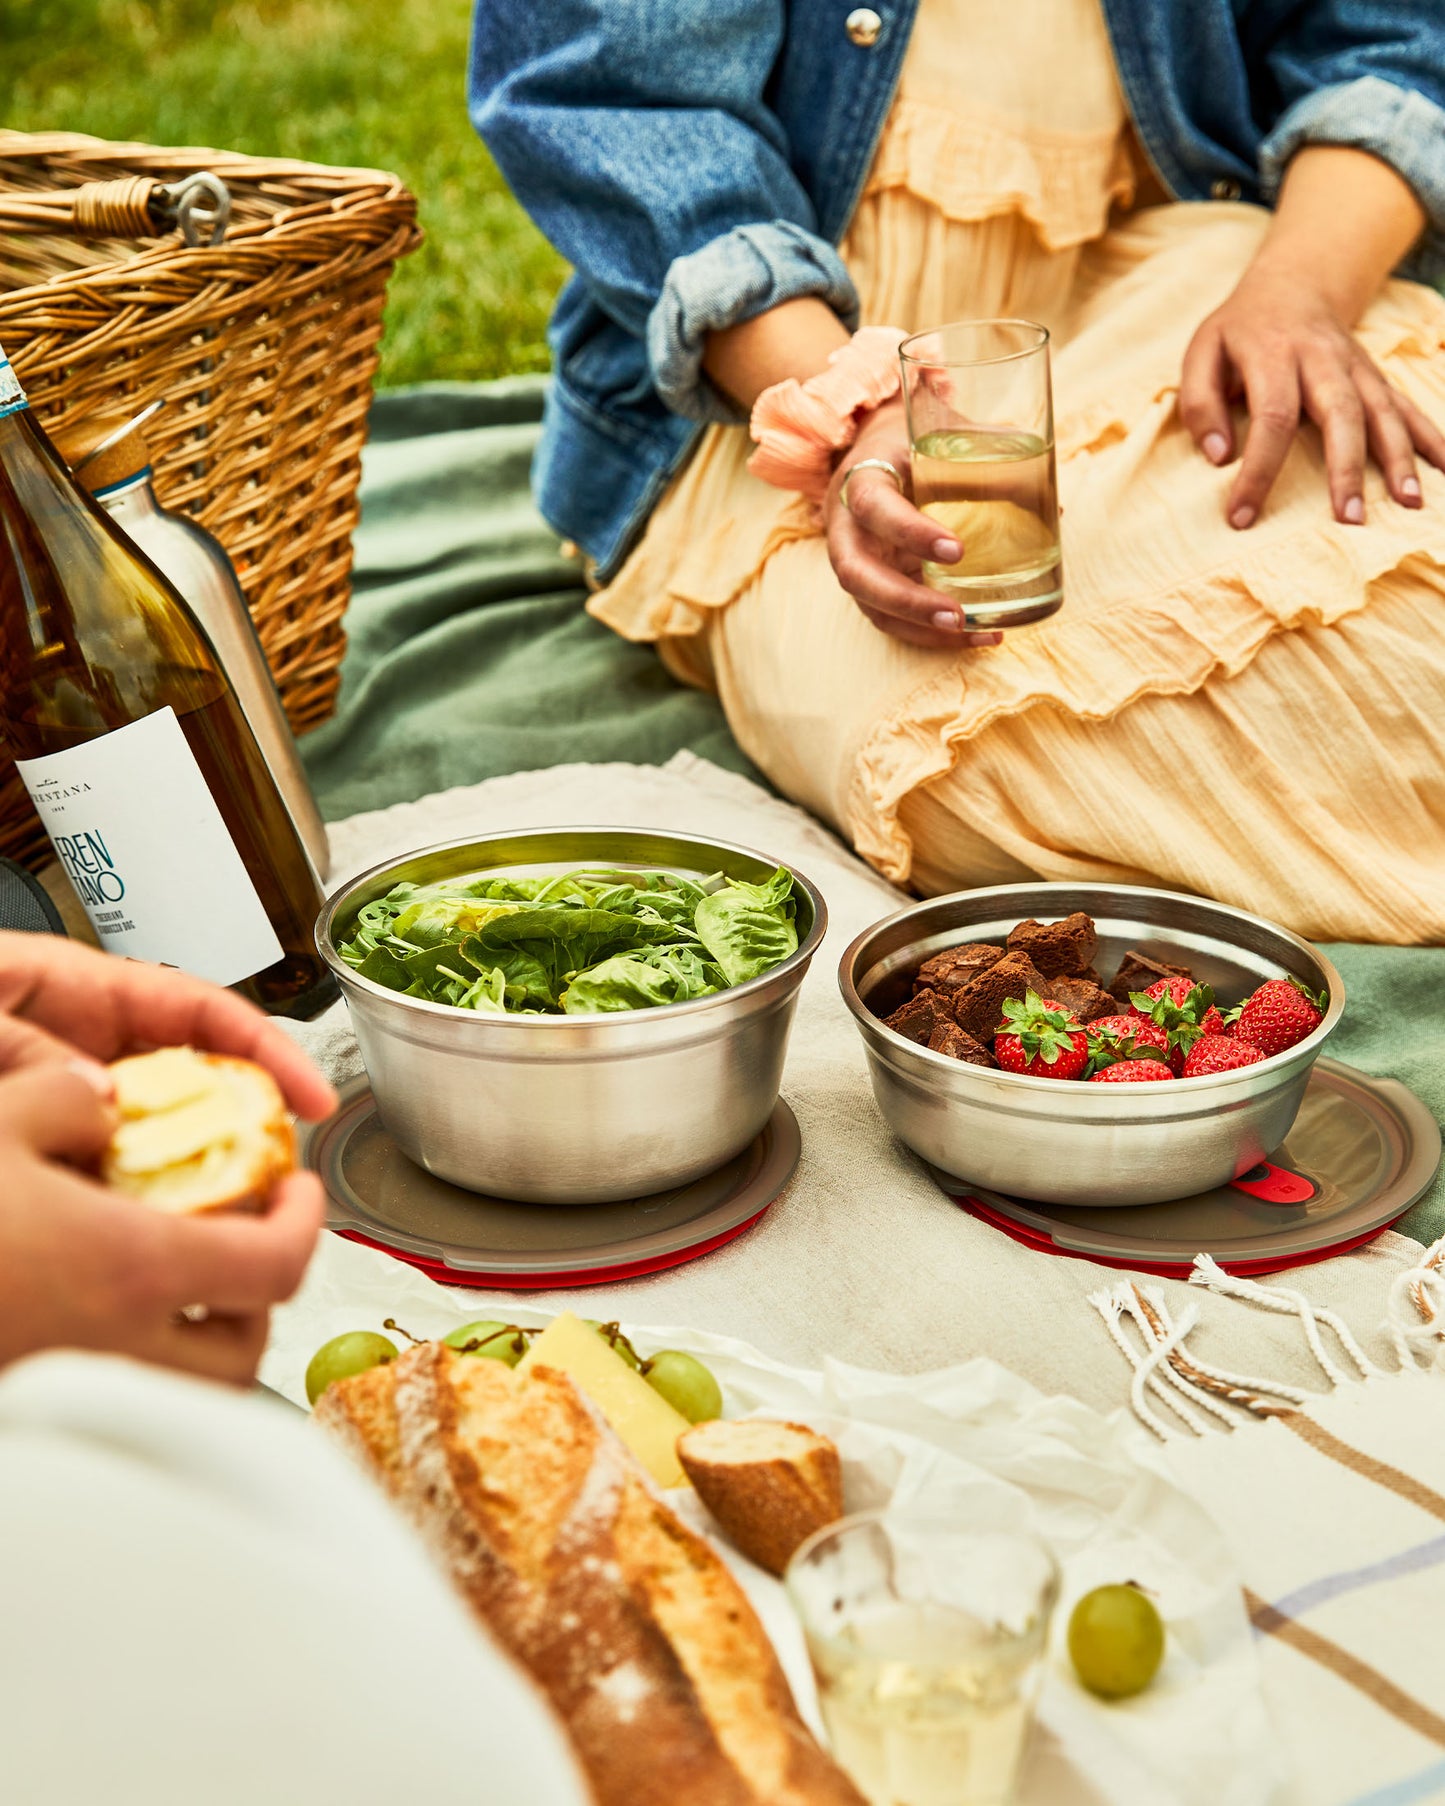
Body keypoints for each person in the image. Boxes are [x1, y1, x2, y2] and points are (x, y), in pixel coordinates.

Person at [470, 0, 1445, 943]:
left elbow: (1386, 33)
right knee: (1004, 759)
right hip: (779, 357)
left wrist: (1298, 292)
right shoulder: (813, 373)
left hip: (1177, 268)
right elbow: (622, 107)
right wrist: (851, 403)